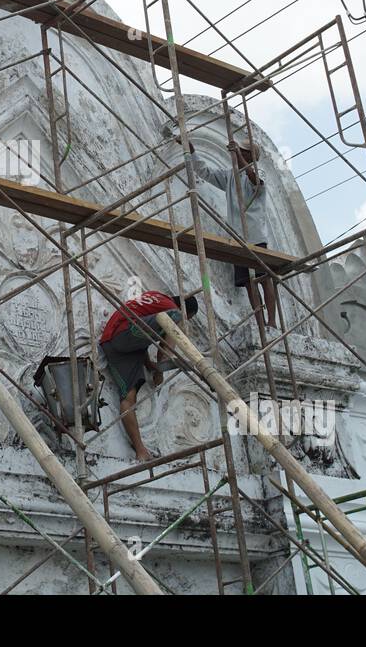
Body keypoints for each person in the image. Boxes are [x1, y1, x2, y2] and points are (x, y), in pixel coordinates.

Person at [98, 289, 198, 463]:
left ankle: (140, 450)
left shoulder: (153, 296)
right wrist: (159, 369)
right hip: (127, 331)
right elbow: (162, 347)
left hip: (112, 342)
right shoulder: (172, 309)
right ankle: (140, 449)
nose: (184, 321)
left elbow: (142, 336)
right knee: (173, 318)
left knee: (128, 398)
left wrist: (148, 365)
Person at [191, 141, 278, 330]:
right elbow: (206, 173)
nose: (237, 155)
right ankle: (261, 323)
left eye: (243, 152)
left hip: (255, 236)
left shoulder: (257, 172)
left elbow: (256, 182)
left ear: (249, 156)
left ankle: (272, 321)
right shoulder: (231, 175)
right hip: (238, 237)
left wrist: (239, 155)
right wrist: (192, 152)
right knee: (249, 283)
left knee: (263, 279)